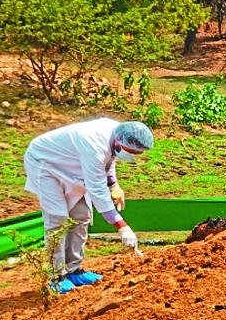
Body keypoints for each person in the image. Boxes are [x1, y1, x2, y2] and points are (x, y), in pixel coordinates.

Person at [23, 118, 153, 293]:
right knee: (58, 218)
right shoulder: (94, 144)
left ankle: (74, 270)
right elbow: (97, 190)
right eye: (132, 152)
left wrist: (113, 184)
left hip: (72, 167)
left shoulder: (117, 133)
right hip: (44, 163)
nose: (133, 156)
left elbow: (109, 159)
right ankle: (56, 277)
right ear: (120, 142)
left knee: (82, 215)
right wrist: (122, 226)